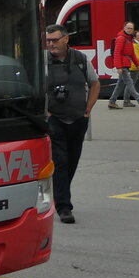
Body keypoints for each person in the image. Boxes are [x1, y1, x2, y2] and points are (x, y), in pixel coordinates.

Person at [45, 24, 100, 224]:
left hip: (78, 119)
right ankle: (64, 207)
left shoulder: (81, 59)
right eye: (48, 40)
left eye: (55, 40)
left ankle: (59, 195)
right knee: (60, 161)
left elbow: (95, 83)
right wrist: (47, 113)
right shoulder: (42, 61)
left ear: (66, 39)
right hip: (55, 120)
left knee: (72, 161)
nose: (51, 44)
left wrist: (88, 109)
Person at [108, 21, 139, 108]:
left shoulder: (129, 39)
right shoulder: (121, 38)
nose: (129, 30)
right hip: (122, 64)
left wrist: (137, 64)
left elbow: (132, 53)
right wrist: (118, 66)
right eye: (128, 28)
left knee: (120, 83)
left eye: (131, 28)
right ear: (124, 28)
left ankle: (112, 101)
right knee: (129, 82)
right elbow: (117, 53)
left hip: (126, 63)